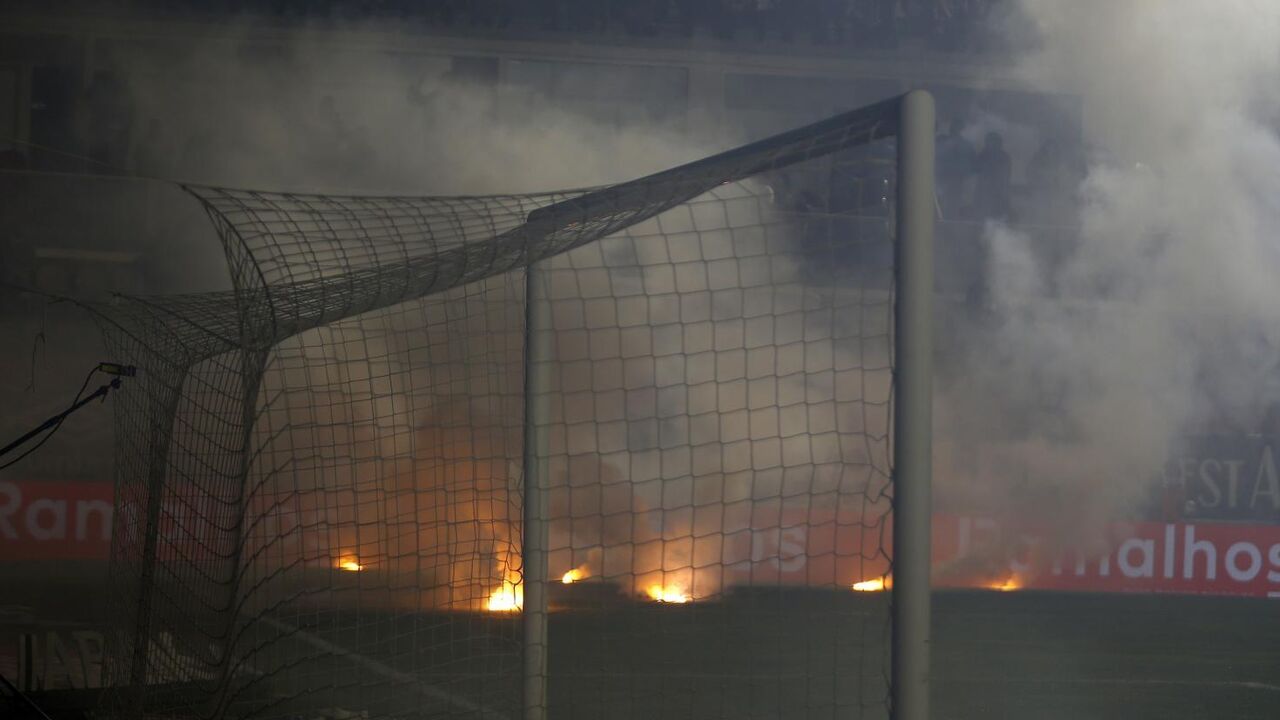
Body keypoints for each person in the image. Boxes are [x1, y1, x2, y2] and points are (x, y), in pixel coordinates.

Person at [974, 130, 1011, 220]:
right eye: (988, 141)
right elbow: (975, 170)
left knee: (998, 214)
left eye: (992, 141)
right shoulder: (982, 155)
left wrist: (1003, 190)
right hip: (984, 191)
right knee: (983, 215)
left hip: (998, 191)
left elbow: (1006, 175)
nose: (989, 144)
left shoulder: (1004, 157)